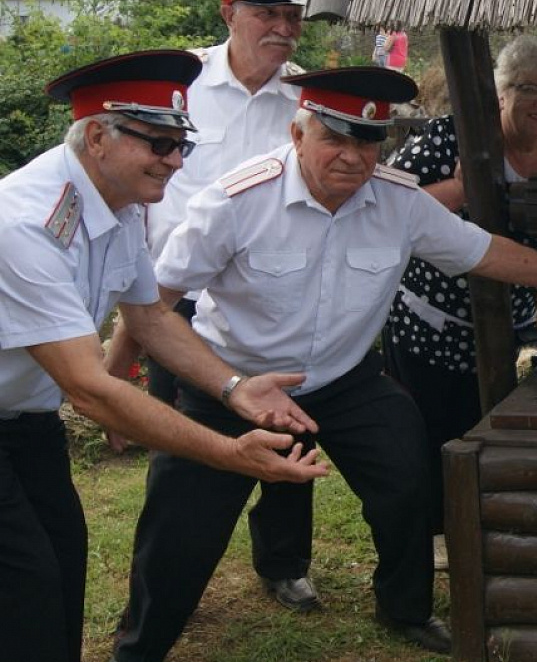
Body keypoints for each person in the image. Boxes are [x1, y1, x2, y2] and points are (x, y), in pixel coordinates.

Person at [109, 66, 537, 661]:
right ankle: (142, 644)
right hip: (234, 381)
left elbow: (486, 253)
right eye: (334, 137)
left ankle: (403, 606)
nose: (352, 158)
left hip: (342, 378)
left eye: (367, 141)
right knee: (179, 528)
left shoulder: (399, 202)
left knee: (408, 476)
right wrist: (122, 388)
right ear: (297, 132)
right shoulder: (234, 201)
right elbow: (155, 304)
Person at [0, 49, 327, 662]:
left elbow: (148, 316)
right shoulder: (23, 224)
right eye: (158, 144)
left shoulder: (120, 201)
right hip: (19, 413)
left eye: (184, 146)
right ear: (98, 136)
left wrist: (233, 388)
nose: (176, 162)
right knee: (25, 590)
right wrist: (230, 453)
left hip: (27, 423)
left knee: (63, 566)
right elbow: (90, 389)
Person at [102, 0, 323, 615]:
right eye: (266, 11)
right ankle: (173, 575)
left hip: (276, 297)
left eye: (293, 13)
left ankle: (284, 564)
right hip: (178, 300)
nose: (283, 27)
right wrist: (129, 331)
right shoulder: (182, 88)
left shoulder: (307, 96)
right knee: (182, 450)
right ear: (230, 10)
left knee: (289, 428)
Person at [382, 35, 537, 534]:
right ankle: (431, 536)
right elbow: (386, 211)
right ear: (501, 92)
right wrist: (460, 188)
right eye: (532, 89)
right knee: (426, 438)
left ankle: (474, 531)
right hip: (431, 329)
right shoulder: (449, 138)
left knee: (486, 431)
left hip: (510, 331)